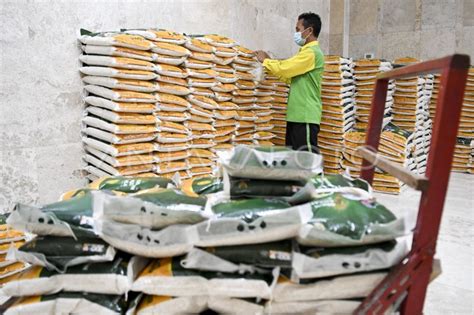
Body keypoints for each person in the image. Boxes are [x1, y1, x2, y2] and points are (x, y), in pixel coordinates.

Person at [256, 12, 324, 154]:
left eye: (298, 29)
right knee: (294, 160)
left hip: (305, 116)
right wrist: (271, 63)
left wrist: (266, 61)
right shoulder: (304, 52)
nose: (296, 33)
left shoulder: (312, 53)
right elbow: (289, 77)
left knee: (307, 160)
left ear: (309, 30)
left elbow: (285, 69)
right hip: (296, 115)